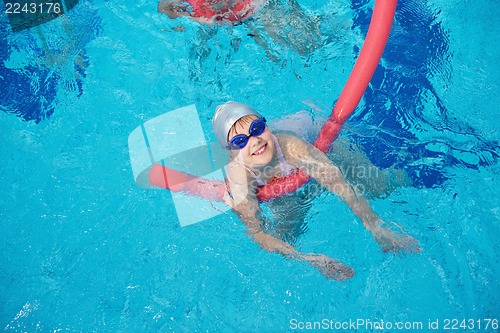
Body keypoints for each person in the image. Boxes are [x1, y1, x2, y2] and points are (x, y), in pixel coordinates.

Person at [214, 101, 419, 281]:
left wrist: (377, 228)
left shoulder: (288, 145)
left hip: (326, 153)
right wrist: (310, 259)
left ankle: (405, 176)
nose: (254, 140)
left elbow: (338, 182)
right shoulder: (239, 175)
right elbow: (258, 233)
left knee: (379, 188)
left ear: (266, 125)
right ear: (231, 151)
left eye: (257, 128)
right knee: (284, 235)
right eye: (240, 141)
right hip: (285, 191)